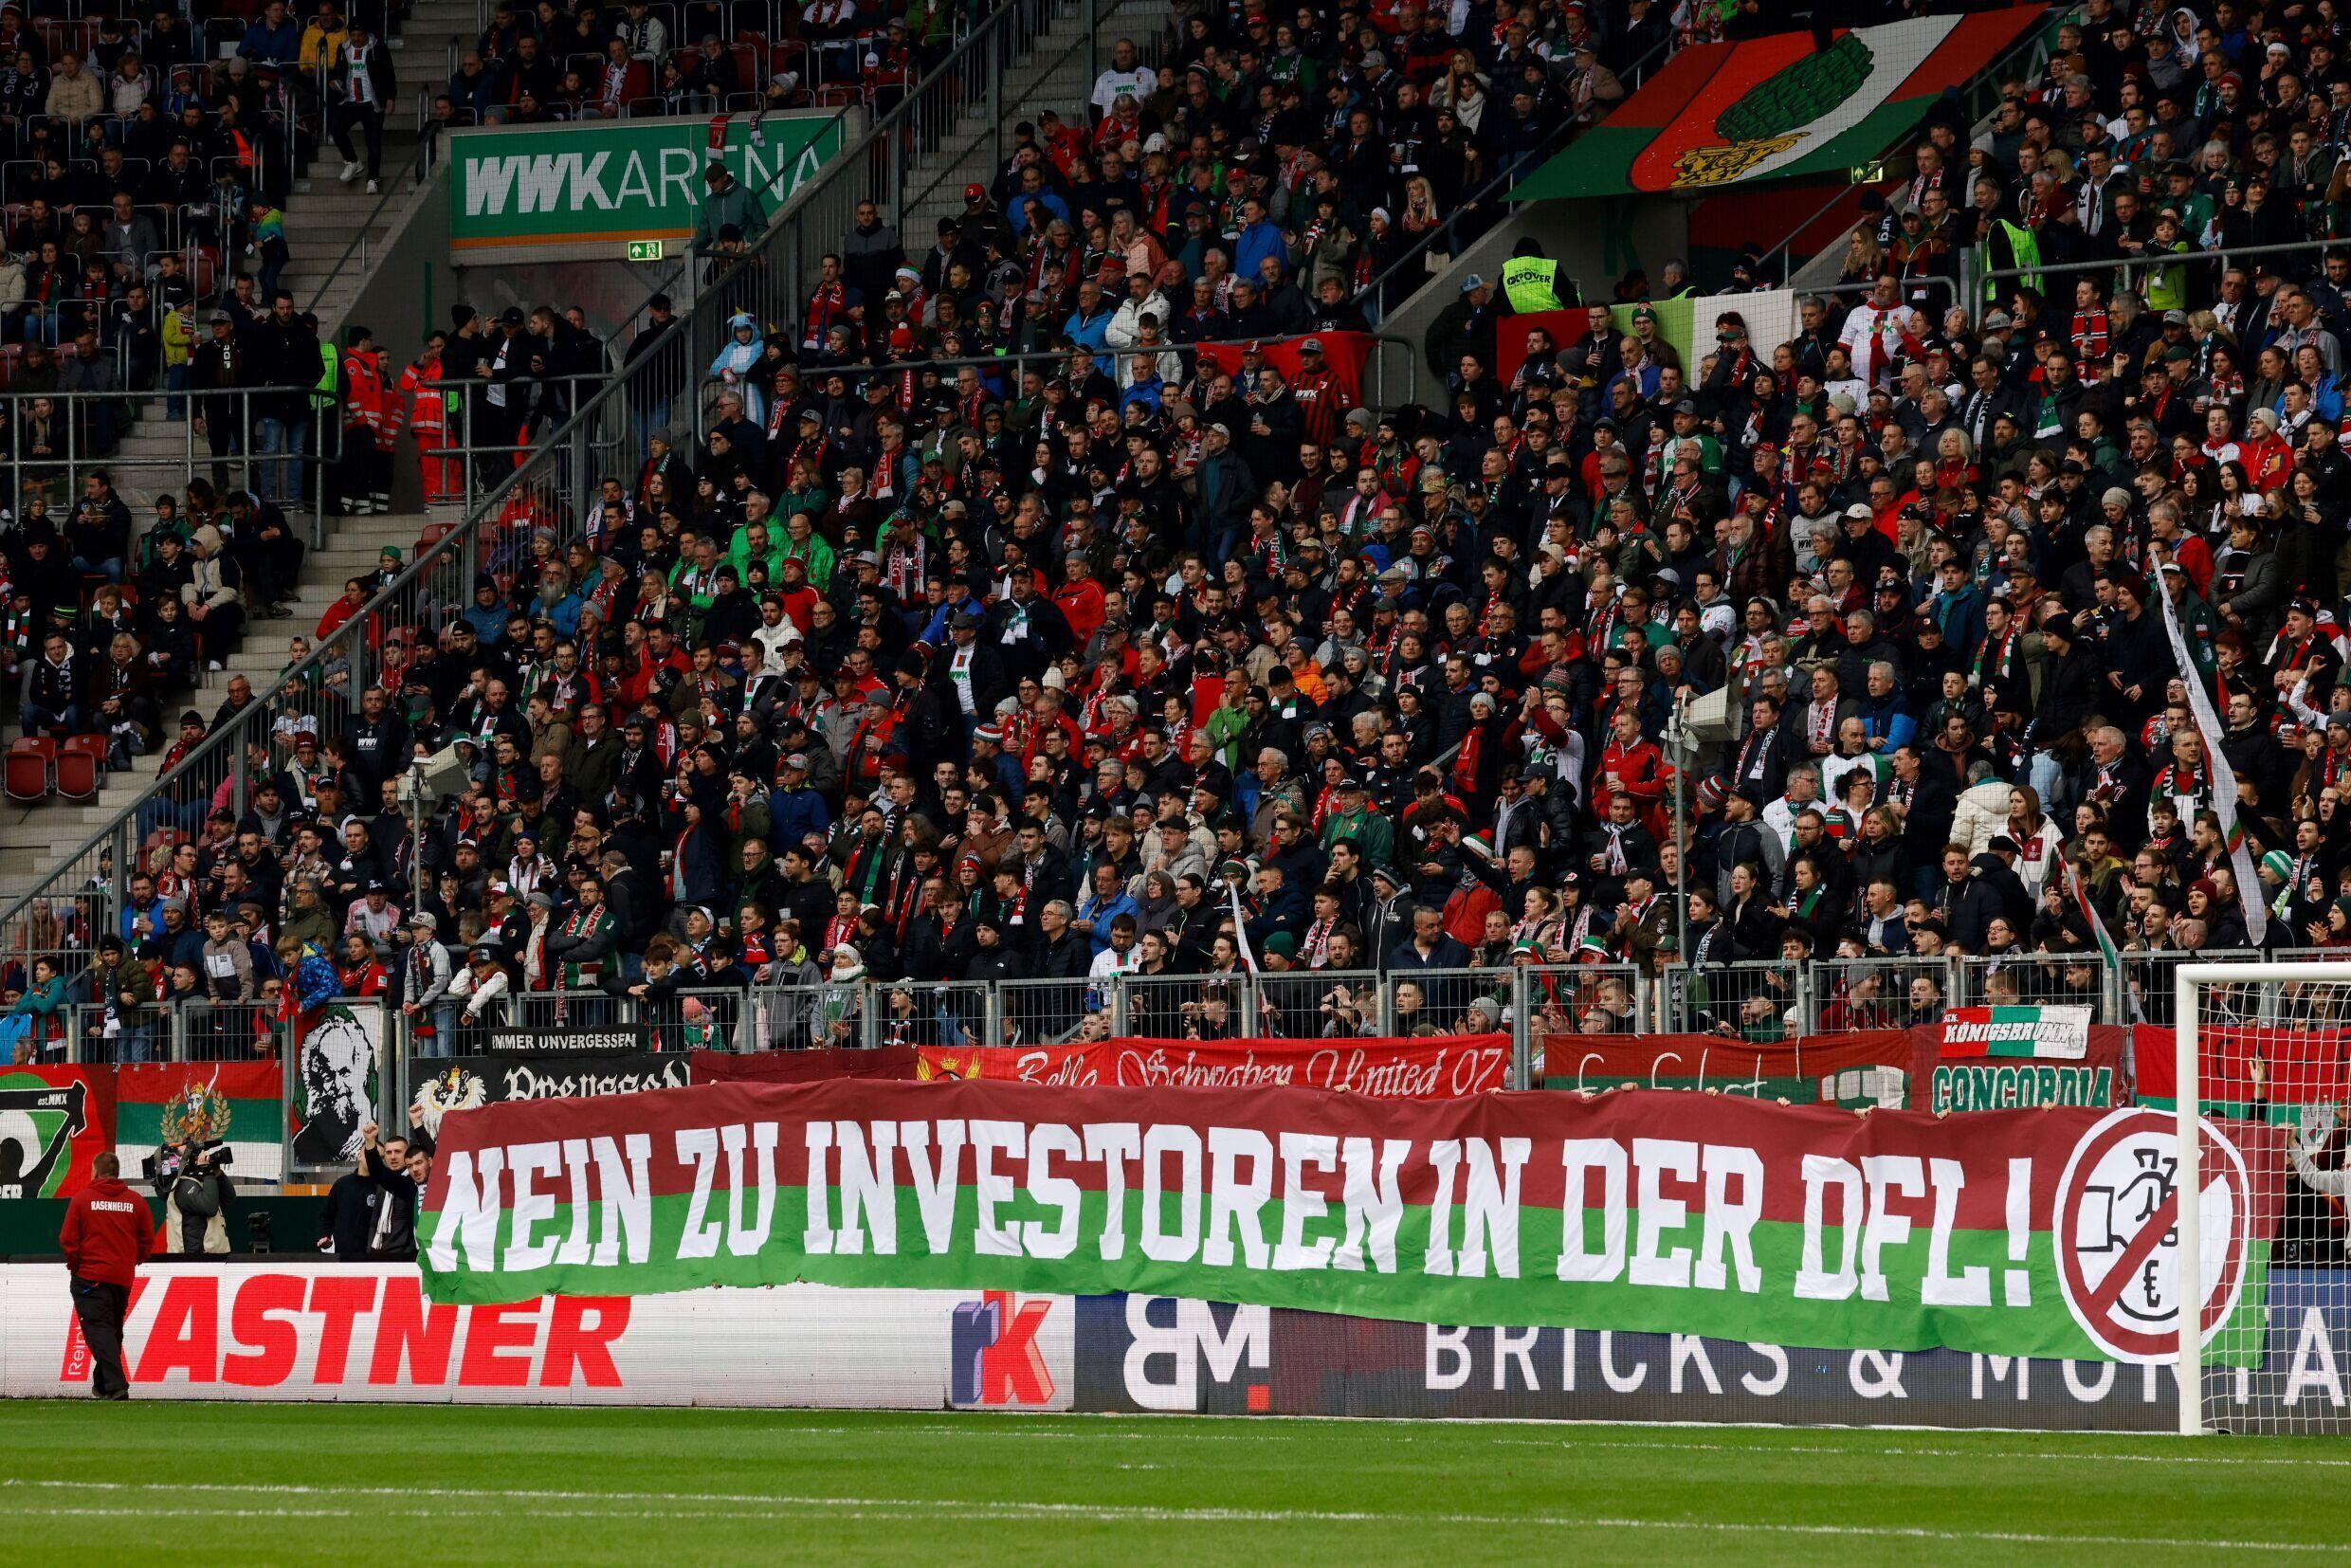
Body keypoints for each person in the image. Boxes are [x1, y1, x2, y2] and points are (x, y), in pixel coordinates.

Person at [60, 1150, 153, 1398]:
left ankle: (115, 1385)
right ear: (117, 1173)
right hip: (121, 1278)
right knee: (112, 1331)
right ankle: (102, 1384)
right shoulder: (136, 1202)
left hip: (90, 1276)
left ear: (95, 1171)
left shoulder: (82, 1199)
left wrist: (76, 1266)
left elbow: (68, 1238)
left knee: (98, 1331)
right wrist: (132, 1262)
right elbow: (147, 1240)